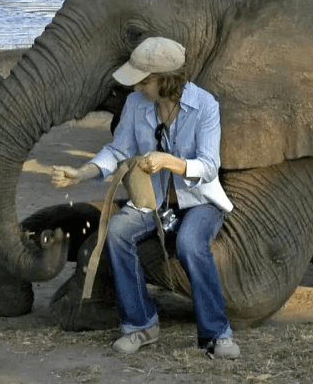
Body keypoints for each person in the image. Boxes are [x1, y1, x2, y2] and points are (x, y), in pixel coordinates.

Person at [50, 37, 239, 360]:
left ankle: (217, 334)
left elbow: (209, 167)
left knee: (191, 244)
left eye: (143, 81)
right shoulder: (136, 104)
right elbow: (118, 150)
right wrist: (81, 173)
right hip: (150, 201)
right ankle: (140, 324)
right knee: (117, 231)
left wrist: (169, 162)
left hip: (200, 201)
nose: (136, 87)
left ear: (165, 79)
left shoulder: (205, 105)